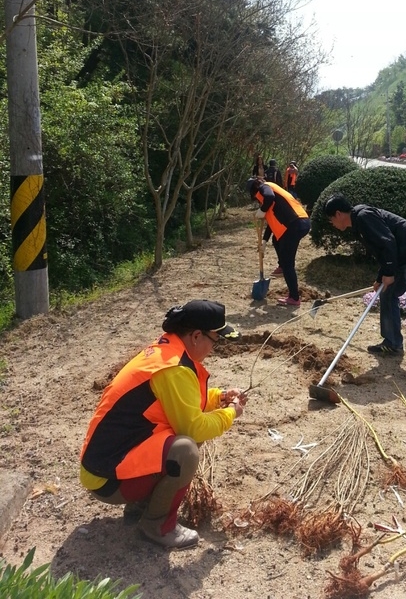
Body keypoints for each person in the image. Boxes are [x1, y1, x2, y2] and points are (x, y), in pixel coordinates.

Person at [80, 300, 246, 549]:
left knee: (180, 437)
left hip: (104, 464)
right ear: (196, 336)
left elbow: (184, 404)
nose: (215, 347)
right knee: (185, 450)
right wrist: (231, 413)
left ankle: (143, 505)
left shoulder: (167, 352)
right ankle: (158, 525)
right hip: (107, 479)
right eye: (216, 339)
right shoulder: (174, 369)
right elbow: (193, 427)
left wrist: (219, 398)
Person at [324, 194, 406, 381]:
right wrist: (380, 276)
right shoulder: (358, 222)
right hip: (401, 257)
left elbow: (388, 241)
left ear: (339, 213)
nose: (332, 224)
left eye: (331, 220)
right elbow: (382, 250)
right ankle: (392, 342)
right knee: (386, 293)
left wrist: (389, 273)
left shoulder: (363, 217)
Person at [246, 176, 310, 307]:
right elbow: (272, 224)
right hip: (300, 222)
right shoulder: (274, 192)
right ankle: (282, 266)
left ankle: (294, 298)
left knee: (288, 264)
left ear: (255, 189)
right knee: (277, 239)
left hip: (294, 224)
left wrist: (262, 209)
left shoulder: (265, 187)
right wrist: (264, 241)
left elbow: (268, 198)